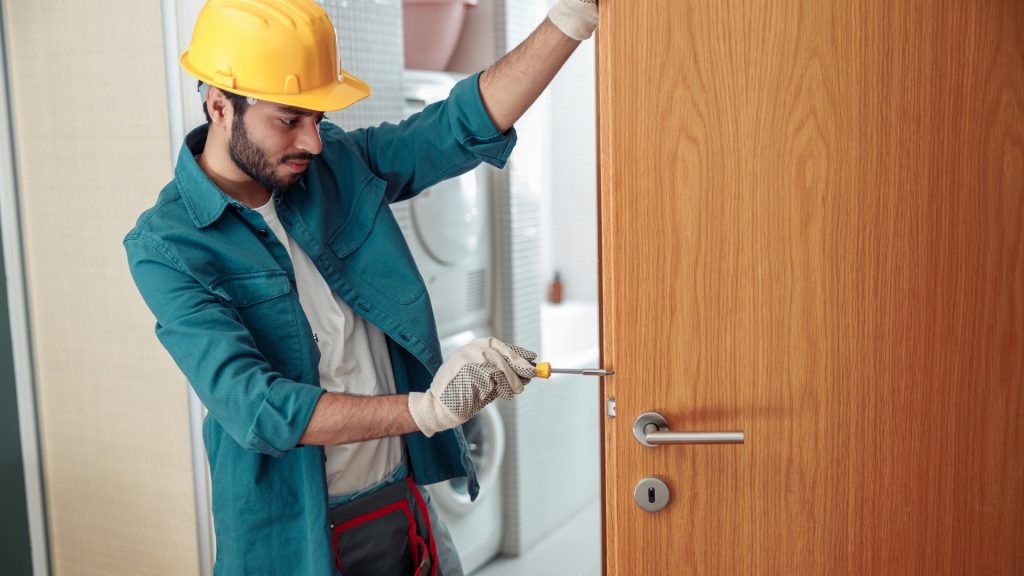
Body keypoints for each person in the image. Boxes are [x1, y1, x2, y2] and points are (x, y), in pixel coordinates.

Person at [124, 0, 598, 574]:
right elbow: (258, 407)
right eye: (289, 119)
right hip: (294, 537)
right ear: (220, 106)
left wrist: (574, 16)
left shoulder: (338, 167)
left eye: (317, 120)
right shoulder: (167, 246)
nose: (314, 142)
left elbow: (455, 127)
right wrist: (425, 409)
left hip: (404, 497)